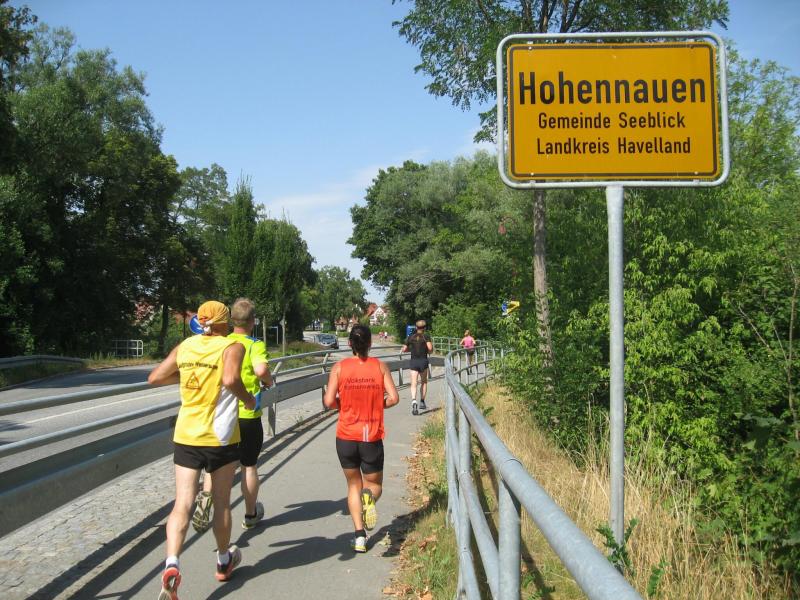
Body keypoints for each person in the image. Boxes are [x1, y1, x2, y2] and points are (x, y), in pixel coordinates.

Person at [147, 300, 256, 600]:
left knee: (182, 503)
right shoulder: (232, 347)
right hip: (220, 439)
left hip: (186, 436)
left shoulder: (185, 346)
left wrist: (187, 376)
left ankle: (172, 563)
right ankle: (223, 560)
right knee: (221, 504)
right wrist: (248, 399)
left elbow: (154, 377)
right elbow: (230, 379)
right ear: (224, 323)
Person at [193, 298, 273, 535]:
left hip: (221, 414)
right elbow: (261, 370)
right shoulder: (254, 344)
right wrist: (268, 381)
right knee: (249, 465)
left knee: (215, 465)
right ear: (252, 321)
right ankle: (250, 515)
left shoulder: (222, 342)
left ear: (231, 321)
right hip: (248, 414)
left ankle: (206, 496)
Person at [323, 324, 399, 553]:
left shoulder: (339, 367)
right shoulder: (380, 367)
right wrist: (378, 405)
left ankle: (359, 537)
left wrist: (343, 405)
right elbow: (394, 398)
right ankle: (370, 498)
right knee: (374, 485)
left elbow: (329, 402)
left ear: (349, 344)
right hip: (370, 436)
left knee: (353, 485)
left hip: (345, 436)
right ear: (370, 343)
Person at [400, 319, 433, 415]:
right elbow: (430, 349)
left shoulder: (411, 337)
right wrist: (428, 351)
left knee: (414, 383)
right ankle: (422, 401)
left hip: (414, 362)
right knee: (424, 382)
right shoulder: (426, 336)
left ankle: (414, 400)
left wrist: (410, 349)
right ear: (424, 328)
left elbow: (404, 349)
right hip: (423, 361)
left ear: (416, 327)